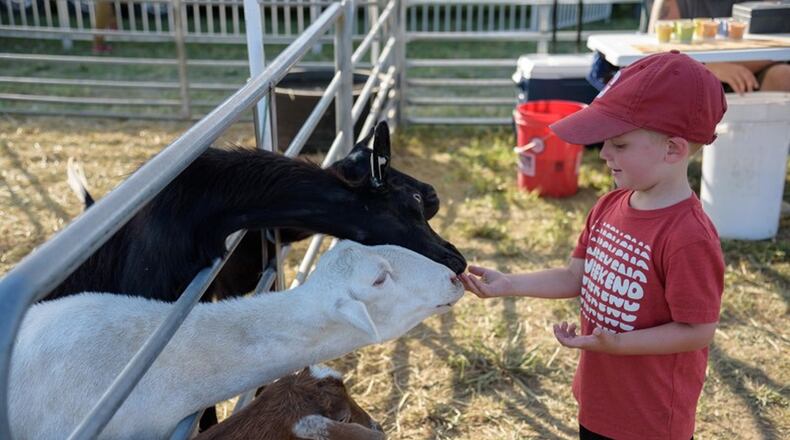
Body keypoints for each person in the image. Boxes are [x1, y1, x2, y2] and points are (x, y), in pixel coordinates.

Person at [460, 51, 727, 440]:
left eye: (619, 145)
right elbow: (574, 276)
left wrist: (618, 343)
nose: (603, 155)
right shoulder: (610, 204)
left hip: (651, 418)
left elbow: (698, 329)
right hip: (600, 398)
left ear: (673, 150)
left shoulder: (688, 237)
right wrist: (510, 284)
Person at [648, 0, 790, 94]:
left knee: (784, 76)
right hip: (692, 77)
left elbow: (780, 46)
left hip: (752, 72)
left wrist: (725, 66)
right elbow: (656, 57)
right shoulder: (671, 2)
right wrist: (708, 68)